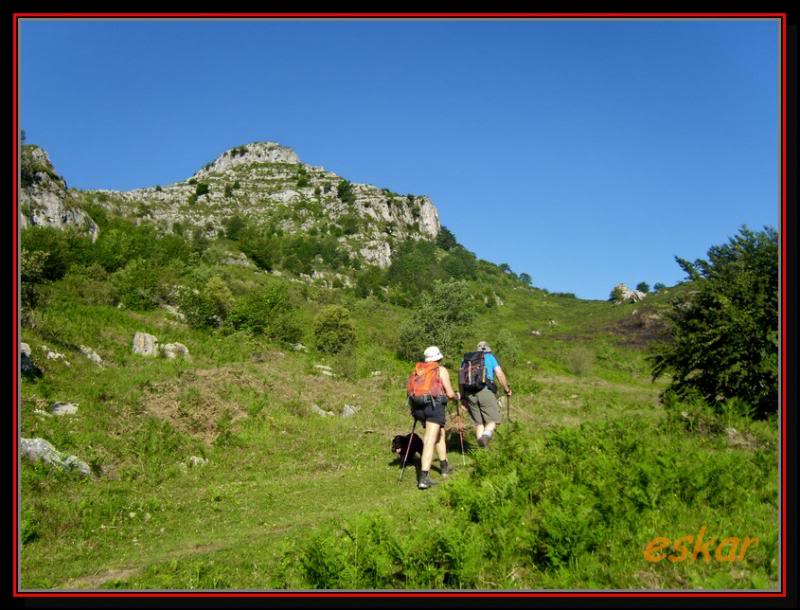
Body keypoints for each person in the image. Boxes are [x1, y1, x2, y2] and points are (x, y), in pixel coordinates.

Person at [407, 345, 460, 490]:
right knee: (430, 440)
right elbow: (449, 394)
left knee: (440, 434)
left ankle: (444, 466)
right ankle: (423, 478)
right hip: (433, 408)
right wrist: (457, 396)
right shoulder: (440, 370)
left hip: (418, 408)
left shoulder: (417, 370)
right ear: (438, 358)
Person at [460, 341, 512, 448]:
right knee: (492, 421)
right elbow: (499, 374)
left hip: (469, 393)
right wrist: (507, 389)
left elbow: (460, 380)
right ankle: (485, 437)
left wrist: (463, 397)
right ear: (488, 349)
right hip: (485, 391)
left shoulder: (465, 360)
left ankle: (483, 452)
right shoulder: (490, 357)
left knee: (479, 423)